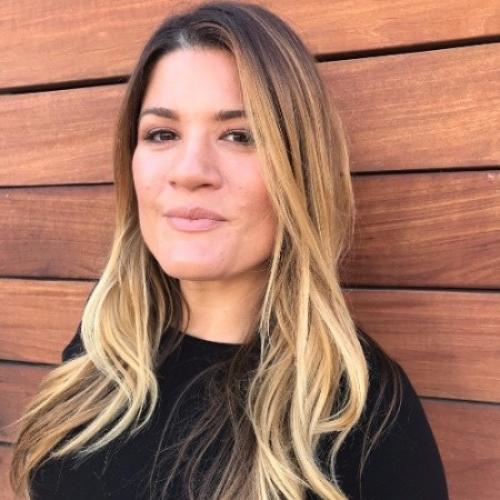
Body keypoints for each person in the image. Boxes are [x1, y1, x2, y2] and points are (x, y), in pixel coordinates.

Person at [9, 2, 449, 499]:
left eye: (239, 136)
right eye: (162, 134)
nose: (189, 171)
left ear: (299, 169)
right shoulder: (105, 339)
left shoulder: (365, 417)